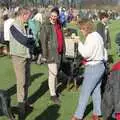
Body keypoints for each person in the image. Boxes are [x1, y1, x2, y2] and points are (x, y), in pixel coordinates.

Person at [71, 19, 105, 120]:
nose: (81, 31)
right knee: (95, 91)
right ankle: (97, 114)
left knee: (84, 93)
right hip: (100, 66)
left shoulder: (90, 37)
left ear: (86, 28)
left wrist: (78, 42)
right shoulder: (97, 35)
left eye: (81, 29)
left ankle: (77, 116)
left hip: (93, 68)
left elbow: (86, 54)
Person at [9, 7, 33, 120]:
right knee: (21, 82)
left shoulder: (25, 24)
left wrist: (31, 39)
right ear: (23, 14)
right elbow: (24, 39)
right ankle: (21, 110)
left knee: (27, 82)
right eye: (28, 16)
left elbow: (31, 38)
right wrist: (31, 39)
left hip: (27, 56)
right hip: (18, 57)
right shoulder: (14, 26)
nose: (29, 18)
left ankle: (25, 103)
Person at [40, 7, 65, 104]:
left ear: (58, 16)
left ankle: (54, 90)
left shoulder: (59, 24)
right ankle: (53, 95)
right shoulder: (45, 25)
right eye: (52, 15)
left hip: (59, 52)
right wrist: (45, 55)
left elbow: (61, 37)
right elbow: (43, 41)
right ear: (50, 15)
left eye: (56, 16)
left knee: (54, 74)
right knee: (53, 73)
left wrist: (63, 49)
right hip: (50, 53)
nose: (54, 17)